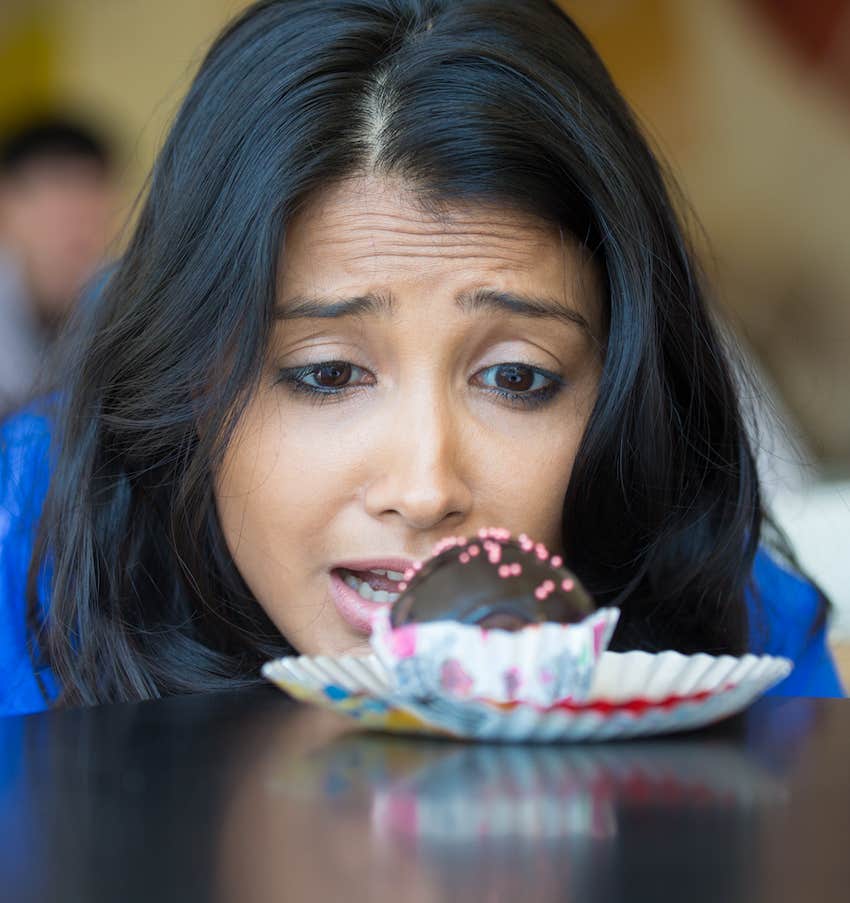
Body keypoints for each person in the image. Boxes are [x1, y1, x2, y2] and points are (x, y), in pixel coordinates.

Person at [0, 0, 842, 716]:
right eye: (327, 373)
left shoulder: (715, 624)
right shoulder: (27, 562)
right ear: (186, 379)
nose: (425, 488)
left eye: (517, 378)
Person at [0, 118, 115, 415]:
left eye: (91, 193)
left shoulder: (123, 299)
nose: (77, 219)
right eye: (58, 194)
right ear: (7, 204)